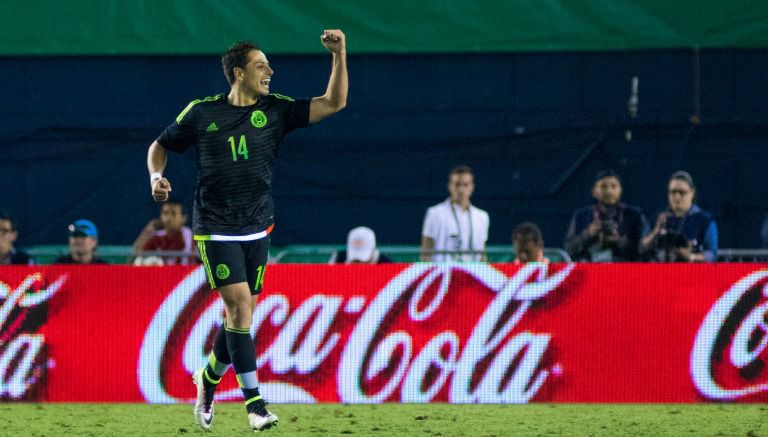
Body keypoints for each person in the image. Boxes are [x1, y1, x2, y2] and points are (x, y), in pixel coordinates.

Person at [146, 30, 347, 432]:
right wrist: (155, 176)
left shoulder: (276, 110)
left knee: (241, 313)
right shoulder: (201, 113)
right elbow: (159, 145)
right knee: (239, 308)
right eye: (261, 66)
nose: (270, 71)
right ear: (238, 73)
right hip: (215, 228)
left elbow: (334, 103)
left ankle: (207, 380)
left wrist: (339, 55)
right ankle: (254, 403)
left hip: (258, 227)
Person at [564, 170, 649, 262]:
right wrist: (588, 234)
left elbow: (643, 247)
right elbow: (569, 249)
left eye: (614, 186)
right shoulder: (581, 216)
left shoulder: (634, 215)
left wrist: (619, 241)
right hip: (590, 268)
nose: (609, 191)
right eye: (603, 186)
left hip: (624, 269)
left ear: (620, 190)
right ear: (594, 191)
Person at [641, 171, 718, 262]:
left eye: (682, 192)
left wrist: (690, 256)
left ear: (692, 192)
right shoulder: (658, 218)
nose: (677, 197)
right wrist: (655, 231)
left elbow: (712, 255)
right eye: (673, 192)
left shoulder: (704, 221)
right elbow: (641, 247)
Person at [420, 165, 490, 262]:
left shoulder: (482, 216)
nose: (461, 189)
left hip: (471, 274)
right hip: (443, 273)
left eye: (465, 185)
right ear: (450, 185)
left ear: (472, 187)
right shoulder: (434, 213)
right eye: (457, 184)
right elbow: (426, 252)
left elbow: (482, 254)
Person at [133, 201, 196, 265]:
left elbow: (187, 261)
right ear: (160, 216)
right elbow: (136, 256)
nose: (168, 218)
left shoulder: (189, 235)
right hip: (162, 273)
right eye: (165, 213)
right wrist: (148, 230)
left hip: (185, 273)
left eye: (173, 214)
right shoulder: (156, 236)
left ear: (183, 218)